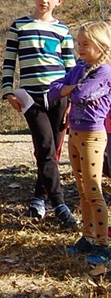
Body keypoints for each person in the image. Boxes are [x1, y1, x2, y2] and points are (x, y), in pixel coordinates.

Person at [1, 0, 77, 228]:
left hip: (59, 97)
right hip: (31, 98)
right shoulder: (19, 26)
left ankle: (38, 198)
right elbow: (10, 61)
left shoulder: (62, 30)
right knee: (44, 147)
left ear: (59, 1)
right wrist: (7, 91)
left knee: (51, 151)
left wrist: (74, 101)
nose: (45, 0)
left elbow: (72, 69)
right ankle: (60, 204)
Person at [48, 21, 111, 264]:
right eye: (79, 44)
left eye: (85, 44)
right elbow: (54, 88)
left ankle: (102, 243)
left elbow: (84, 94)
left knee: (94, 190)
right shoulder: (80, 68)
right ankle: (88, 236)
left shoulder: (104, 72)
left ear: (101, 45)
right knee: (83, 189)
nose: (80, 48)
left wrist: (69, 90)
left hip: (92, 136)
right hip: (75, 133)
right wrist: (71, 88)